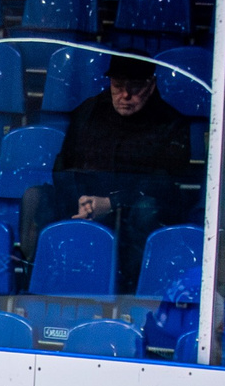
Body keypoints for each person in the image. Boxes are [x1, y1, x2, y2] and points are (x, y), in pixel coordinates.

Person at [22, 55, 194, 290]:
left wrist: (112, 202)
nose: (125, 95)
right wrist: (83, 202)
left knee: (147, 209)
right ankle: (35, 286)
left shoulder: (171, 123)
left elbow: (162, 182)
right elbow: (63, 166)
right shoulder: (88, 111)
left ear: (151, 85)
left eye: (135, 87)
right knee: (34, 197)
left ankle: (131, 291)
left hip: (131, 206)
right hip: (84, 202)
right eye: (118, 86)